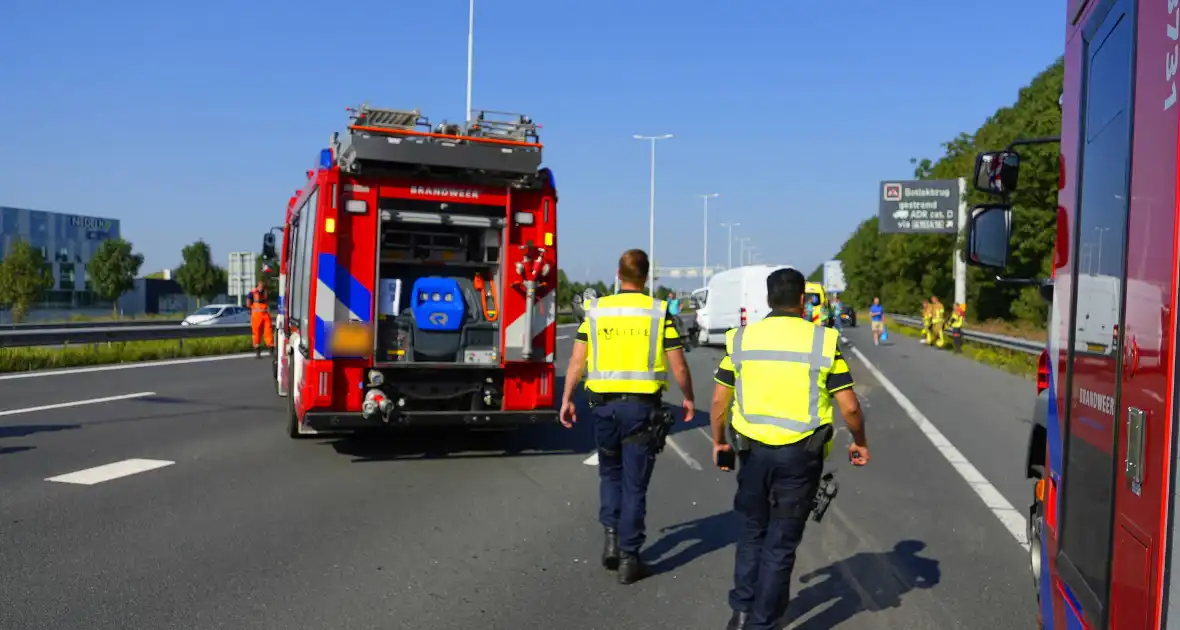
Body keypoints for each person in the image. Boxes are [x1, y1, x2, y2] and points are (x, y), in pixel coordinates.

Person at [710, 267, 869, 630]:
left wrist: (719, 441)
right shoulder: (823, 341)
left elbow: (720, 399)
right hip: (800, 458)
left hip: (751, 455)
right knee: (780, 544)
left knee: (752, 533)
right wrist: (859, 442)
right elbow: (849, 406)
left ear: (768, 299)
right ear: (802, 300)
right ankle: (762, 624)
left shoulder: (741, 339)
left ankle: (742, 612)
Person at [559, 249, 696, 585]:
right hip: (641, 409)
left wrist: (566, 397)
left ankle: (611, 538)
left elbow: (577, 361)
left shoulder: (596, 311)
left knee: (610, 474)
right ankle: (629, 558)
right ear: (646, 277)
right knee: (635, 485)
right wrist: (689, 397)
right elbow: (677, 364)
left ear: (618, 275)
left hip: (603, 407)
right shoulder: (657, 313)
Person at [246, 280, 274, 358]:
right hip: (256, 316)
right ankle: (258, 351)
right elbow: (248, 304)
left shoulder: (265, 292)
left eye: (263, 286)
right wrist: (253, 308)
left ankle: (271, 348)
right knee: (256, 333)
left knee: (268, 331)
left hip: (265, 315)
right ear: (257, 286)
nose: (261, 288)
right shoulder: (252, 293)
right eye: (260, 286)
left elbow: (268, 301)